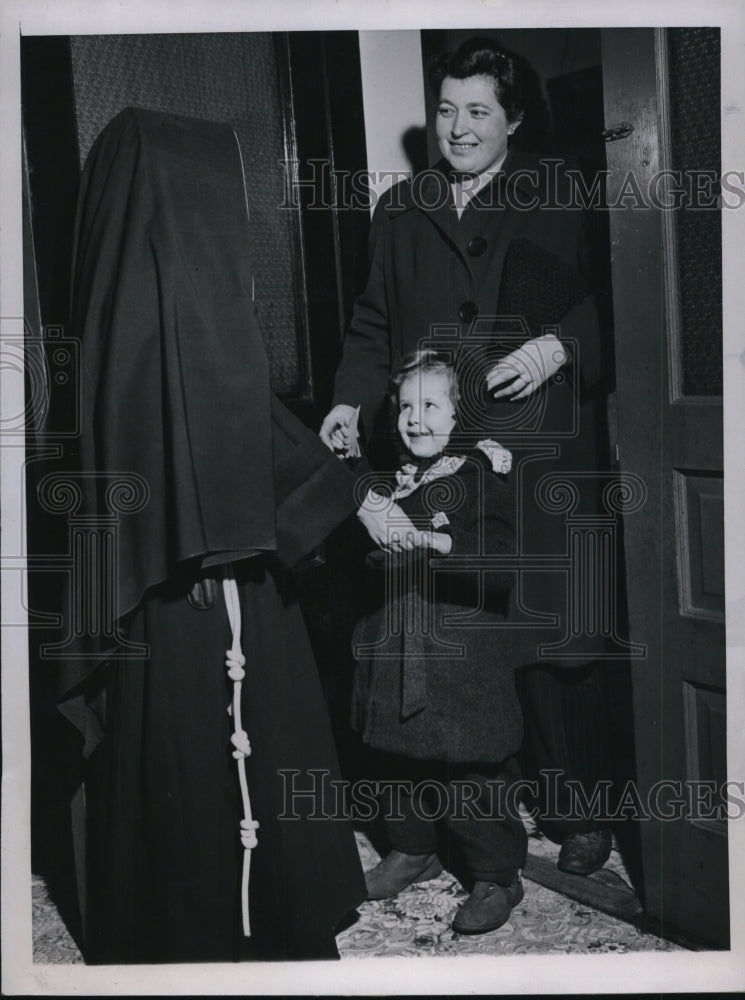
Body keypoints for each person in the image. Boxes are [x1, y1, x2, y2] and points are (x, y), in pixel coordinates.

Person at [55, 107, 366, 964]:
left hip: (218, 576)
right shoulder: (152, 316)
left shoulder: (156, 311)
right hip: (186, 593)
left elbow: (235, 418)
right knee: (200, 773)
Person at [321, 36, 614, 875]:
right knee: (447, 629)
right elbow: (373, 326)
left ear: (513, 118)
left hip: (543, 450)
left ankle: (579, 810)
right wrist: (348, 396)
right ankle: (449, 828)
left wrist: (560, 347)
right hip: (443, 457)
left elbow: (618, 302)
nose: (457, 128)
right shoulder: (401, 208)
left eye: (477, 111)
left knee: (561, 630)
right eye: (445, 110)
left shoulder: (561, 192)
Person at [351, 350, 526, 934]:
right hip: (397, 643)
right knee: (396, 756)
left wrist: (439, 546)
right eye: (405, 406)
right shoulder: (389, 480)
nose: (414, 418)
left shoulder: (481, 475)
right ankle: (412, 849)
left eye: (430, 405)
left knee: (472, 766)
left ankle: (497, 872)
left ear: (460, 415)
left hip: (462, 655)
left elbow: (502, 564)